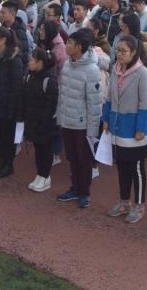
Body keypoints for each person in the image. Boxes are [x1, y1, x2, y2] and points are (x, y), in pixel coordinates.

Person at [103, 34, 147, 223]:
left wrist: (141, 128)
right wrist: (106, 118)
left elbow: (145, 104)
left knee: (136, 169)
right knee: (122, 167)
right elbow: (109, 97)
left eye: (124, 51)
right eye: (118, 50)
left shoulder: (142, 73)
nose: (119, 54)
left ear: (134, 53)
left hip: (134, 131)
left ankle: (139, 205)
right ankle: (124, 202)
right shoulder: (115, 69)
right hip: (118, 128)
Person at [56, 29, 103, 209]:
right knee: (72, 158)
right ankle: (74, 188)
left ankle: (84, 192)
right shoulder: (68, 65)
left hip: (82, 125)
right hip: (67, 121)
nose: (66, 46)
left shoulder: (92, 70)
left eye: (70, 43)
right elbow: (62, 94)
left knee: (84, 160)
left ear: (80, 47)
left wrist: (92, 130)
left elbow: (94, 103)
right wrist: (60, 116)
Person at [0, 26, 25, 178]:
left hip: (7, 107)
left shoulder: (13, 59)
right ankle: (0, 162)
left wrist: (11, 110)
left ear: (3, 40)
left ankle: (8, 165)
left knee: (8, 138)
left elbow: (16, 87)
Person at [24, 47, 59, 192]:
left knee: (46, 150)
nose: (29, 62)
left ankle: (46, 176)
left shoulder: (49, 80)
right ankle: (40, 175)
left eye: (32, 60)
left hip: (46, 124)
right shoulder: (29, 76)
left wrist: (43, 123)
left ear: (40, 62)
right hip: (33, 120)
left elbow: (51, 106)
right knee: (38, 149)